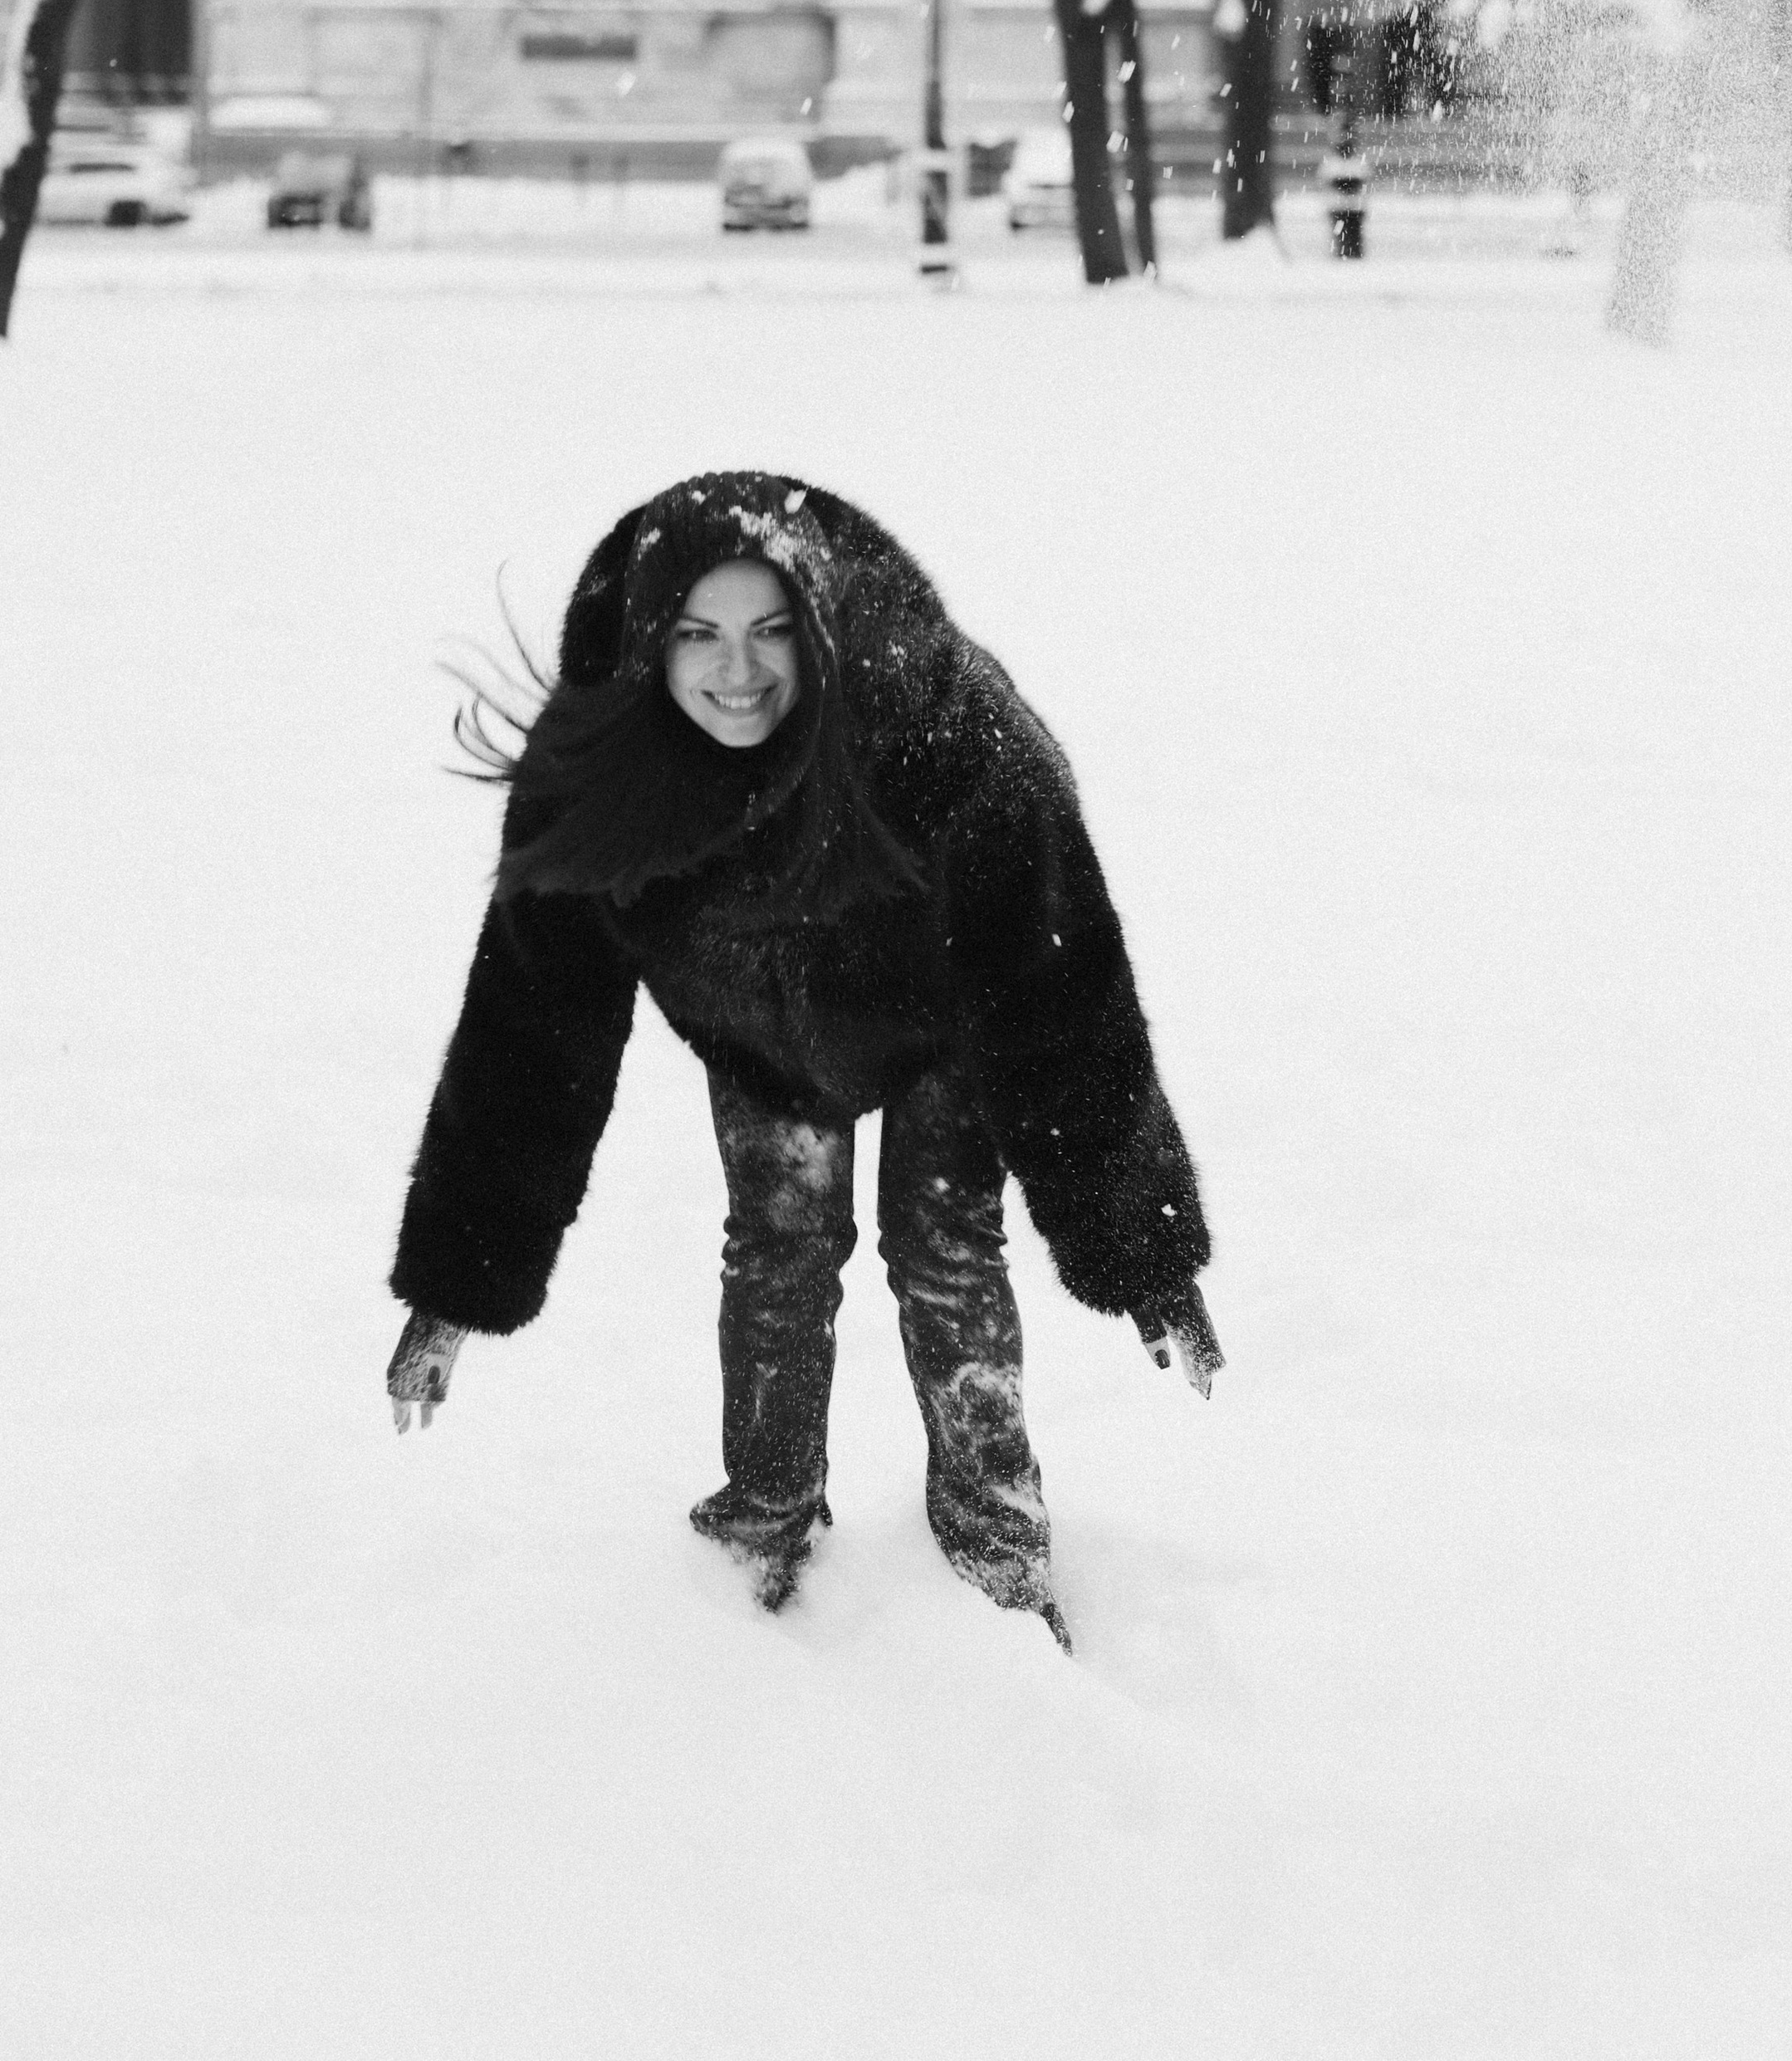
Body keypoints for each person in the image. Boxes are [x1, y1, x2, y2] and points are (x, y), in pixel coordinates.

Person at [386, 470, 1220, 1647]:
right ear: (649, 645)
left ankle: (996, 1543)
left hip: (942, 1024)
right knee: (779, 1246)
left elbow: (1064, 1003)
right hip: (759, 1035)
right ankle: (761, 1522)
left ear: (824, 630)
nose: (740, 670)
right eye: (700, 635)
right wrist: (461, 1281)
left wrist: (1137, 1249)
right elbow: (531, 1028)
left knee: (944, 1251)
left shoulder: (956, 745)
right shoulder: (599, 774)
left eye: (774, 631)